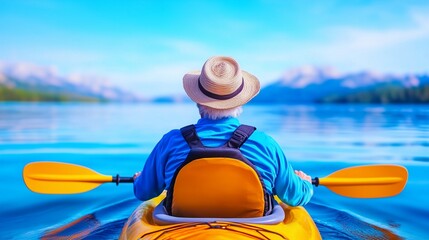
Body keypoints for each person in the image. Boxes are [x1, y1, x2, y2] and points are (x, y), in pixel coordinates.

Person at [133, 56, 313, 212]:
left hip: (176, 226)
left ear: (197, 100)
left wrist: (139, 180)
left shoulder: (171, 142)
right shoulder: (265, 144)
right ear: (240, 102)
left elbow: (144, 192)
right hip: (256, 227)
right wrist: (305, 183)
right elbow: (295, 197)